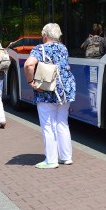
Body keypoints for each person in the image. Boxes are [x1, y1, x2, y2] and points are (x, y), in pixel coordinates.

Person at [23, 23, 76, 169]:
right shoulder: (63, 48)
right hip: (66, 89)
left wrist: (30, 81)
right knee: (62, 122)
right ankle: (66, 157)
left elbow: (28, 65)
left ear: (44, 35)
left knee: (48, 124)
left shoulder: (40, 49)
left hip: (47, 90)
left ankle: (51, 160)